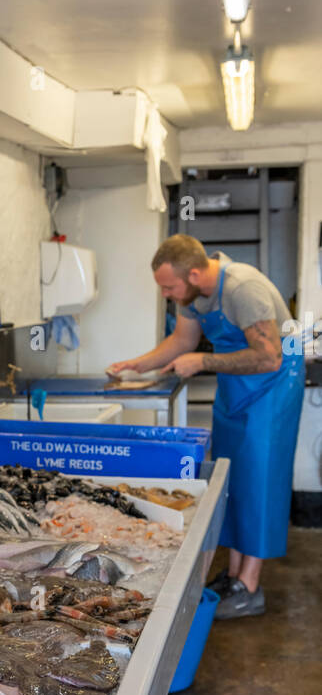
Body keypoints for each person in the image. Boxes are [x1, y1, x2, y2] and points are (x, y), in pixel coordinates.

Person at [109, 234, 305, 619]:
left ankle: (249, 587)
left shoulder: (242, 289)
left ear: (195, 273)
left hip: (274, 385)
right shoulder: (193, 296)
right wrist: (134, 366)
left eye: (169, 286)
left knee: (259, 481)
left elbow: (268, 358)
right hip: (237, 385)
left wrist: (203, 362)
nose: (167, 294)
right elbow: (182, 340)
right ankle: (232, 575)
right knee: (230, 480)